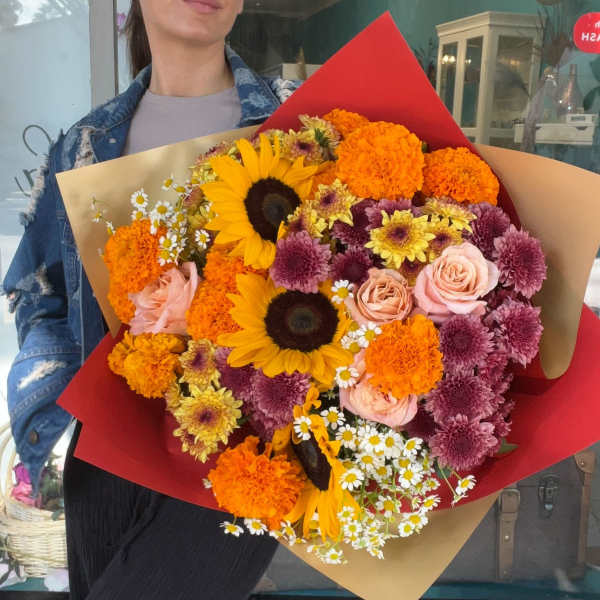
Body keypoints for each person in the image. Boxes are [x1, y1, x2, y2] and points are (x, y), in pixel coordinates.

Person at [3, 1, 299, 597]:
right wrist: (56, 399)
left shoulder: (296, 123)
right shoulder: (86, 145)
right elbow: (41, 292)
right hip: (108, 450)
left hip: (239, 456)